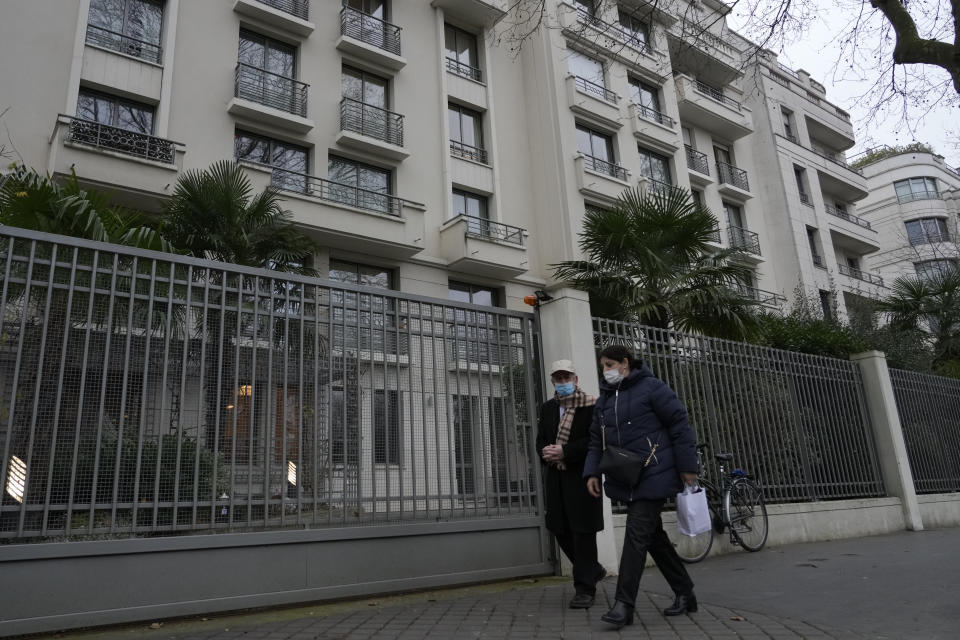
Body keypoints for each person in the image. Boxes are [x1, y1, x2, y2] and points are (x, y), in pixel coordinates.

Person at [583, 344, 699, 629]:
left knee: (636, 534)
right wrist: (591, 473)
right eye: (603, 366)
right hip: (626, 475)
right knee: (653, 538)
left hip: (655, 471)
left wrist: (687, 467)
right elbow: (596, 440)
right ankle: (685, 592)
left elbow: (679, 424)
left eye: (610, 364)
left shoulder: (652, 387)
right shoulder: (605, 399)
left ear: (625, 363)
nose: (606, 371)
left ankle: (624, 605)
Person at [536, 359, 606, 609]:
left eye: (567, 377)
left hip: (583, 476)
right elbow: (541, 438)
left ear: (576, 380)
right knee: (558, 528)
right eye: (559, 378)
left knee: (582, 532)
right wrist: (546, 452)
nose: (563, 382)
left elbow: (596, 441)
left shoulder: (592, 406)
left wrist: (566, 451)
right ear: (553, 381)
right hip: (556, 478)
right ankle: (593, 569)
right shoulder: (547, 408)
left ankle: (585, 589)